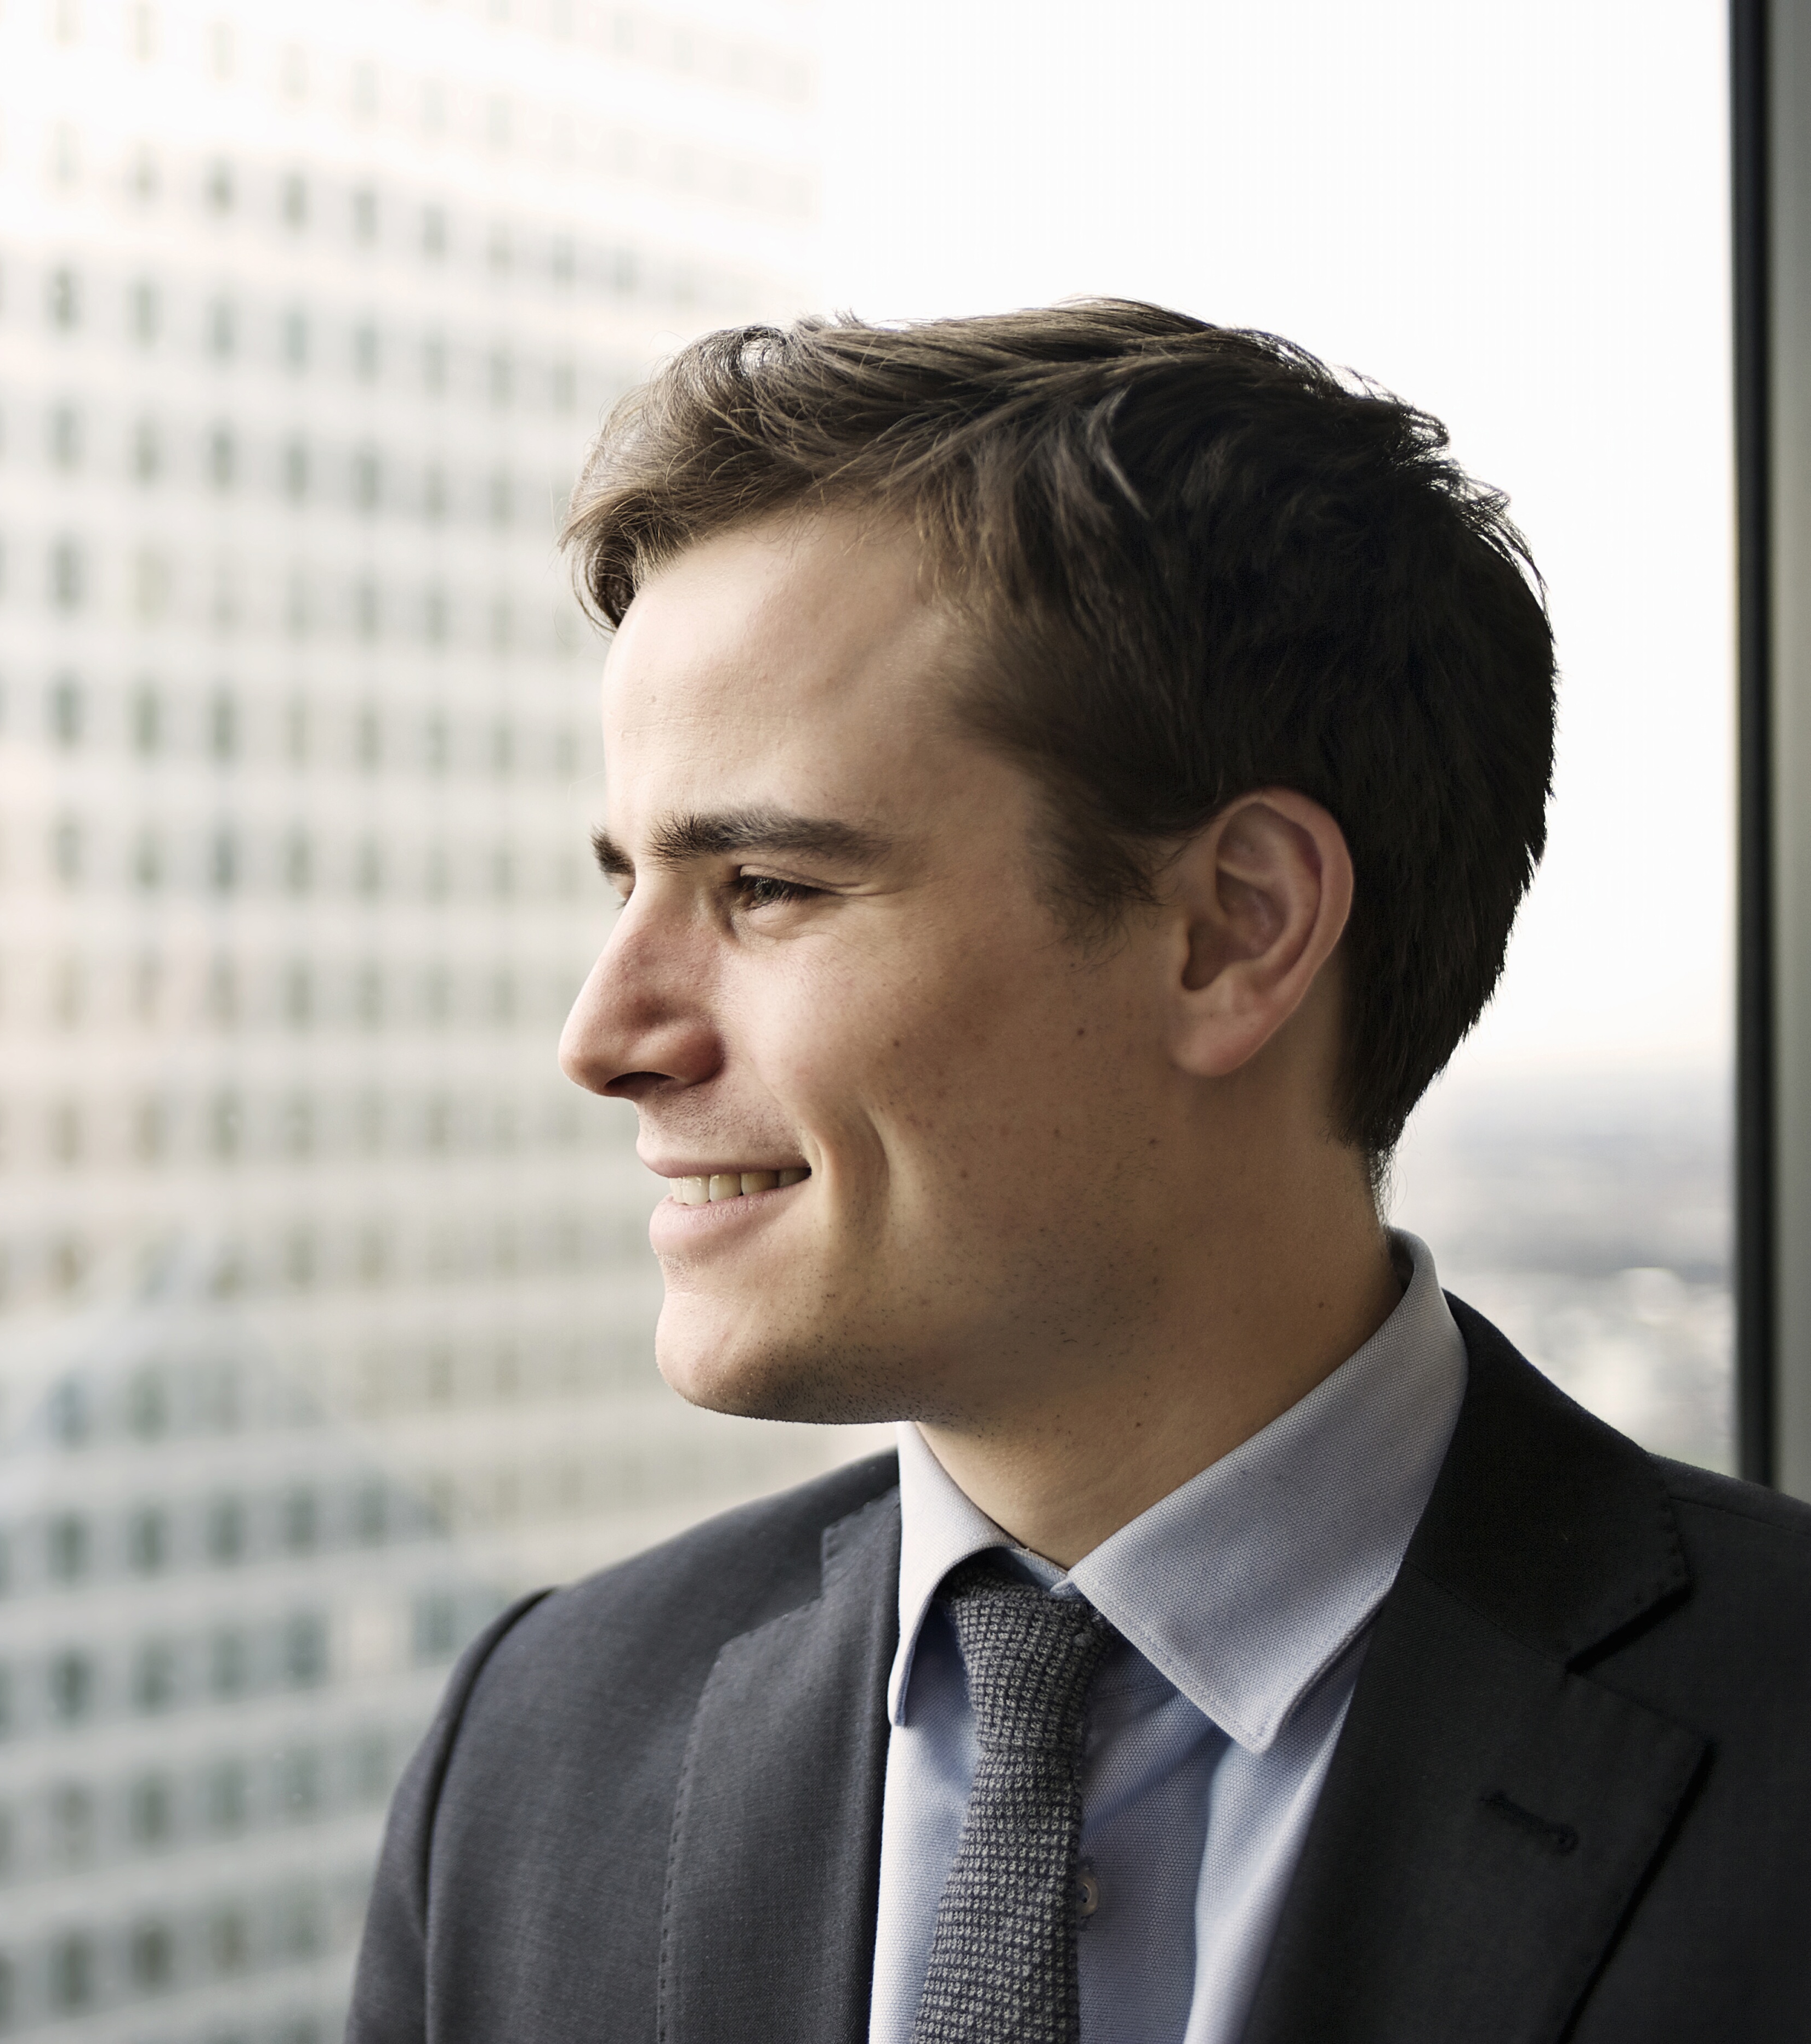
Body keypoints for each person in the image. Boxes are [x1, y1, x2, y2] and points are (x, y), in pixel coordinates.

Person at [347, 303, 1811, 2044]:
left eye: (767, 887)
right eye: (627, 885)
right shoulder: (540, 1746)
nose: (606, 1033)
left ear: (1231, 931)